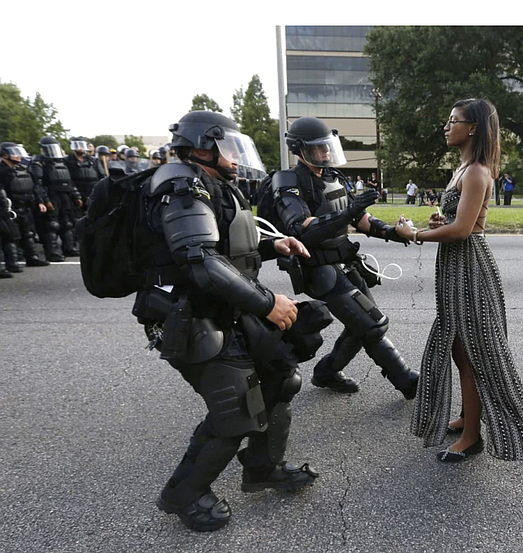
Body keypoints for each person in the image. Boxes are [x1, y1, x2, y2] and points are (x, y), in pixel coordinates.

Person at [125, 111, 319, 532]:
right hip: (192, 317)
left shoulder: (208, 183)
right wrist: (268, 304)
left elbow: (225, 246)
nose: (235, 155)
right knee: (237, 411)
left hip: (227, 309)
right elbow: (202, 262)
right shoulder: (181, 187)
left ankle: (263, 466)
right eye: (228, 145)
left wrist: (272, 245)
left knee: (281, 377)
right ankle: (183, 494)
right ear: (201, 147)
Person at [396, 98, 523, 462]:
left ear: (474, 128)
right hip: (456, 267)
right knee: (457, 347)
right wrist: (439, 224)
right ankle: (469, 416)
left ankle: (472, 436)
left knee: (474, 353)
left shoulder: (478, 171)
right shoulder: (462, 169)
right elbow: (456, 222)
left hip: (470, 268)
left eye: (454, 121)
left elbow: (464, 230)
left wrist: (414, 233)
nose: (447, 127)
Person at [270, 116, 419, 398]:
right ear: (300, 149)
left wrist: (392, 232)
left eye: (328, 147)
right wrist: (348, 213)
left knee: (360, 325)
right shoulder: (288, 180)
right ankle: (408, 382)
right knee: (372, 324)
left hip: (345, 263)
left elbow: (360, 217)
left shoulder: (333, 177)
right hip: (318, 269)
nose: (326, 153)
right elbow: (301, 228)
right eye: (319, 148)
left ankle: (326, 372)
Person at [30, 136, 82, 259]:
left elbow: (69, 181)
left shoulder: (62, 162)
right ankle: (52, 252)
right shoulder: (39, 163)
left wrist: (76, 196)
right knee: (51, 225)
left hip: (65, 195)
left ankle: (69, 248)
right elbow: (38, 184)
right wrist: (45, 200)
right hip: (51, 194)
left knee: (68, 223)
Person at [0, 142, 50, 267]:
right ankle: (12, 263)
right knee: (10, 237)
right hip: (11, 208)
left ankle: (32, 257)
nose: (18, 156)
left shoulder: (24, 169)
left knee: (28, 234)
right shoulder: (2, 171)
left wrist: (40, 202)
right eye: (14, 153)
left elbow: (35, 187)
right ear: (5, 155)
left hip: (26, 206)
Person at [64, 137, 100, 206]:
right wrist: (76, 195)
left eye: (81, 145)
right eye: (78, 146)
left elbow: (102, 176)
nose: (80, 148)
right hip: (76, 193)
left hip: (93, 193)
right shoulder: (67, 160)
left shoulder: (94, 160)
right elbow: (68, 179)